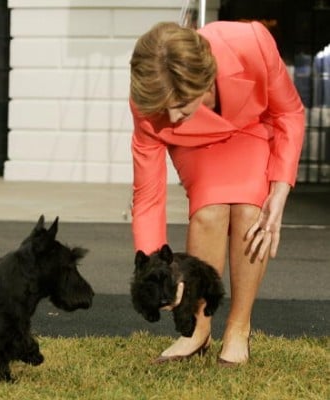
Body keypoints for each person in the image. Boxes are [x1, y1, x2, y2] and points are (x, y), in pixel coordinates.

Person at [129, 20, 305, 365]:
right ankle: (197, 329)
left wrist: (280, 190)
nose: (170, 116)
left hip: (251, 130)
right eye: (162, 108)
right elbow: (148, 197)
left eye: (178, 104)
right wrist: (156, 270)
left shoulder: (252, 42)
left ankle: (239, 328)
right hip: (194, 143)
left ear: (203, 80)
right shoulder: (154, 103)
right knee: (209, 210)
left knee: (249, 211)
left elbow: (289, 113)